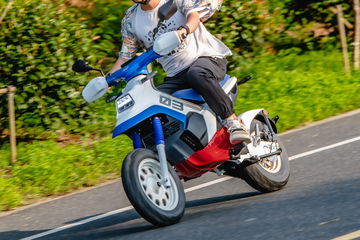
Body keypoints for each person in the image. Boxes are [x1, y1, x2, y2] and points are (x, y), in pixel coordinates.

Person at [109, 0, 251, 144]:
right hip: (176, 75)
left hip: (207, 58)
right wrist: (105, 80)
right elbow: (125, 56)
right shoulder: (131, 19)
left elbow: (194, 16)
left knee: (196, 74)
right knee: (148, 101)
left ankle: (232, 122)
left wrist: (183, 31)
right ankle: (173, 150)